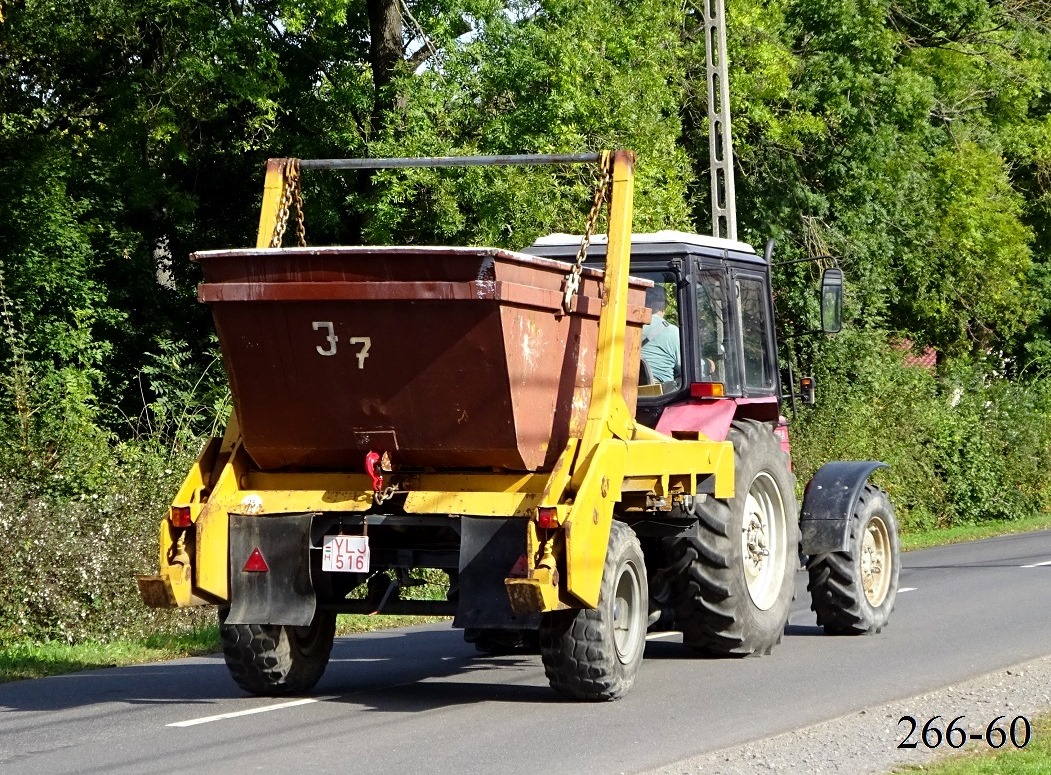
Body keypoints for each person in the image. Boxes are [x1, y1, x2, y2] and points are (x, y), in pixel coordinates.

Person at [641, 285, 681, 383]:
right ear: (663, 307)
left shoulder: (629, 326)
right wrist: (707, 365)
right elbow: (684, 366)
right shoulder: (673, 331)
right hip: (661, 392)